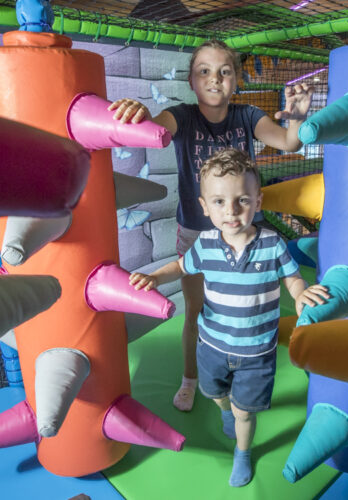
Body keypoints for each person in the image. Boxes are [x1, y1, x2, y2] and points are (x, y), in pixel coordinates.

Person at [109, 39, 314, 413]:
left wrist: (298, 117)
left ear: (236, 81)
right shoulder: (182, 116)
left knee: (248, 308)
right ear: (191, 80)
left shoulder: (248, 116)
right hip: (198, 235)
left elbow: (287, 141)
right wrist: (137, 113)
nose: (215, 79)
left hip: (246, 234)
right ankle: (190, 378)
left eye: (225, 71)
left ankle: (246, 368)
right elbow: (150, 132)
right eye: (204, 71)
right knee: (196, 309)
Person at [128, 148, 329, 487]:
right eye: (219, 202)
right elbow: (181, 266)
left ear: (258, 201)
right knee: (215, 393)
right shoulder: (205, 244)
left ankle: (243, 451)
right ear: (205, 207)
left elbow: (292, 277)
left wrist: (299, 293)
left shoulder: (272, 244)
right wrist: (155, 278)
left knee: (245, 412)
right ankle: (223, 410)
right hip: (212, 345)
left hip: (256, 353)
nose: (232, 211)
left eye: (242, 200)